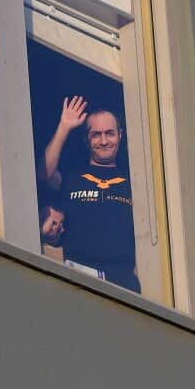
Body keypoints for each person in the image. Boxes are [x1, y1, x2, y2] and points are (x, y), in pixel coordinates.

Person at [43, 95, 139, 293]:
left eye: (110, 133)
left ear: (120, 135)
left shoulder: (135, 182)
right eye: (96, 135)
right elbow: (45, 173)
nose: (104, 141)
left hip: (123, 282)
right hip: (78, 278)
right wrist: (64, 127)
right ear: (87, 140)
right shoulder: (72, 176)